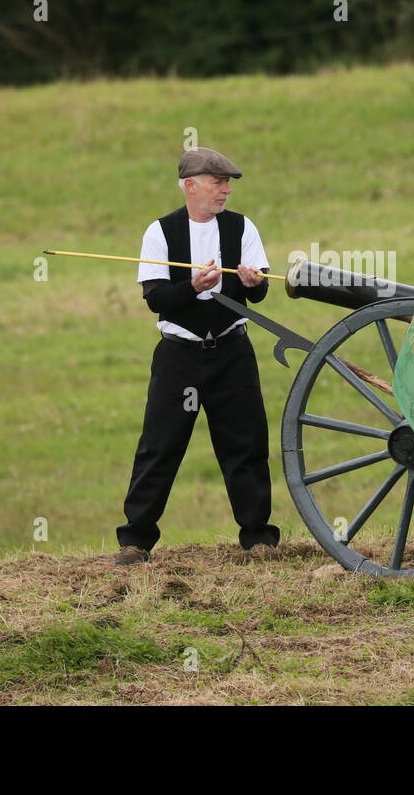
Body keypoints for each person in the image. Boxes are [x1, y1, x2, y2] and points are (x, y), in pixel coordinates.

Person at [115, 147, 280, 565]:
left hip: (231, 352)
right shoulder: (160, 232)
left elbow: (258, 292)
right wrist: (191, 286)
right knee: (160, 445)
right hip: (179, 356)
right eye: (217, 183)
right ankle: (135, 541)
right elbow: (156, 299)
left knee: (245, 442)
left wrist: (250, 281)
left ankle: (258, 537)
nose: (225, 191)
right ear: (190, 186)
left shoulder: (242, 228)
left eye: (227, 184)